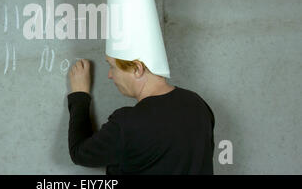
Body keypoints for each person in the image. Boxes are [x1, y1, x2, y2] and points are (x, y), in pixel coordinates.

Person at [67, 55, 215, 175]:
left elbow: (79, 153)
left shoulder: (126, 124)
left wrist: (79, 95)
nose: (110, 75)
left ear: (138, 69)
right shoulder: (197, 103)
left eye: (112, 66)